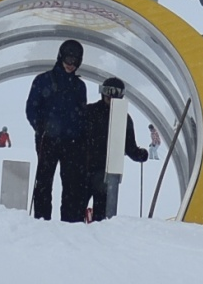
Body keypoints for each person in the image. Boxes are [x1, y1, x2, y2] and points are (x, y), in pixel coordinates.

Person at [63, 76, 147, 222]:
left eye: (115, 93)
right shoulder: (88, 112)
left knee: (101, 217)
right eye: (108, 92)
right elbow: (72, 137)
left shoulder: (123, 118)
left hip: (105, 173)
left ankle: (95, 233)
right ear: (102, 92)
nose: (111, 96)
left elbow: (129, 146)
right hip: (83, 170)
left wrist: (140, 154)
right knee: (74, 213)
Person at [25, 40, 86, 220]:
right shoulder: (43, 80)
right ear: (60, 57)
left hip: (71, 142)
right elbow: (31, 108)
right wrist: (40, 127)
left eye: (75, 61)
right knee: (44, 181)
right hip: (47, 139)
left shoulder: (79, 86)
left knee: (71, 183)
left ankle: (70, 220)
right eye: (68, 59)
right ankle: (42, 219)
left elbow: (82, 114)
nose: (71, 65)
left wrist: (80, 135)